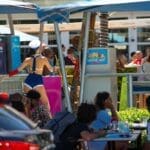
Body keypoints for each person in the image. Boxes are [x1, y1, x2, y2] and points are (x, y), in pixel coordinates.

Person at [8, 39, 53, 116]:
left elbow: (17, 70)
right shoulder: (43, 59)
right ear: (38, 48)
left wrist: (7, 75)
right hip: (37, 81)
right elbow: (51, 69)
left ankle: (28, 122)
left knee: (27, 104)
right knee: (45, 103)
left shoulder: (27, 59)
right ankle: (49, 120)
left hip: (28, 82)